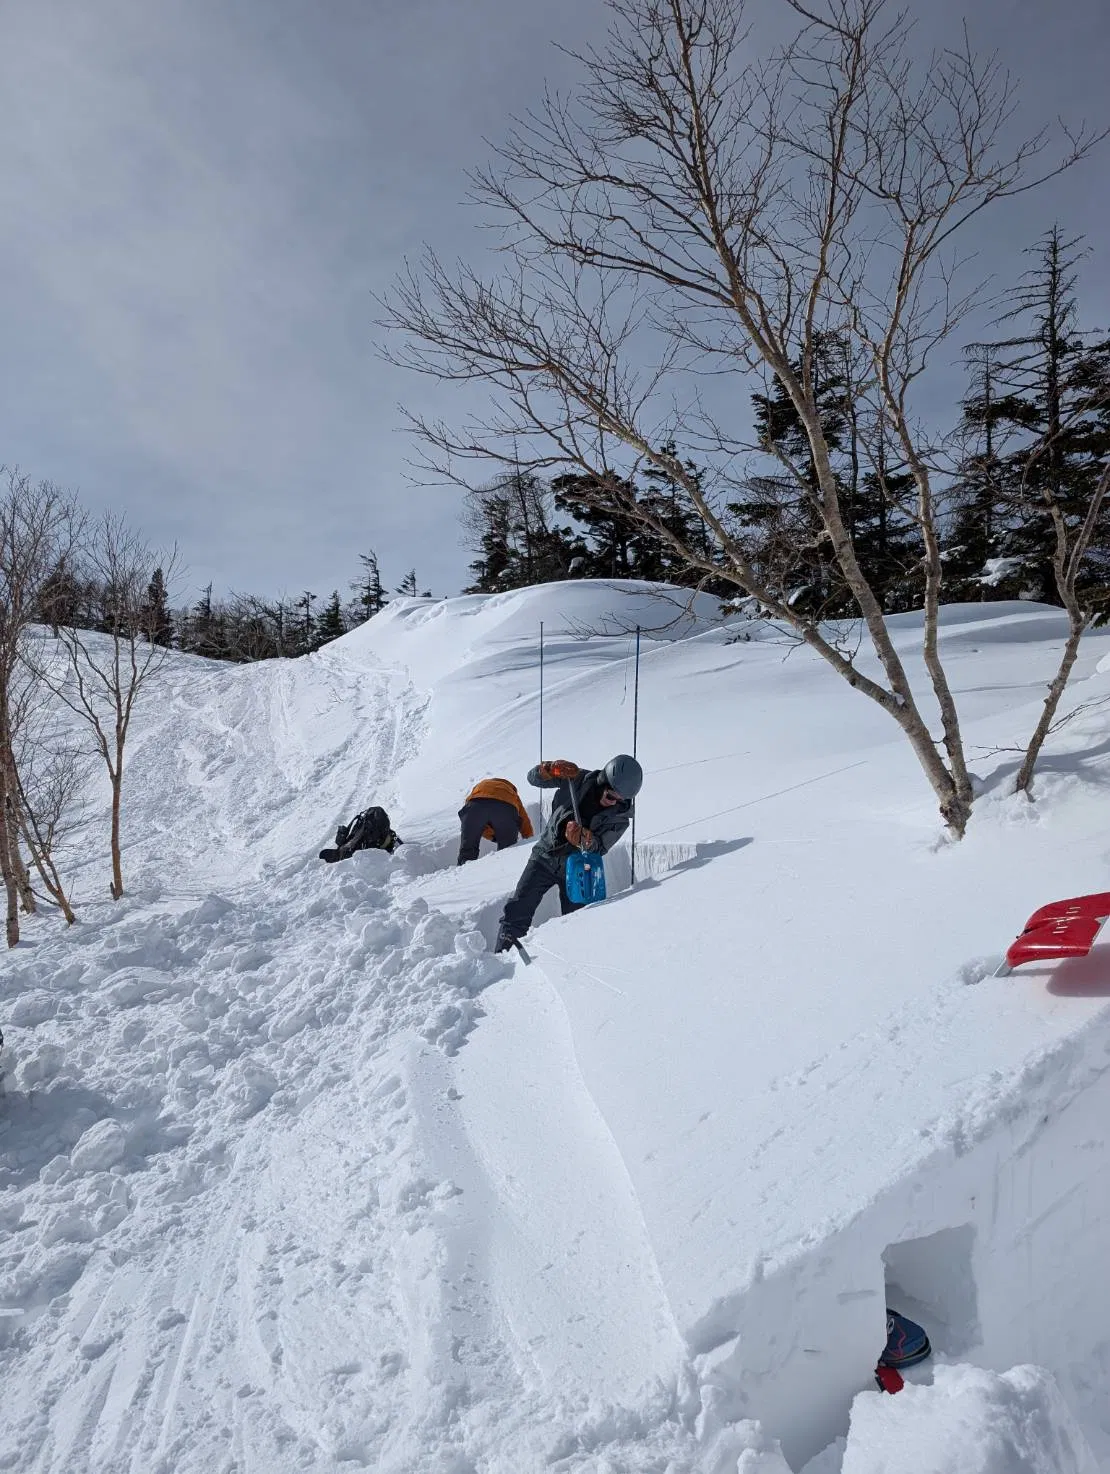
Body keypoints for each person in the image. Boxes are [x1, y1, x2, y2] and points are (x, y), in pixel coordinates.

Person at [494, 754, 643, 953]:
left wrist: (585, 841)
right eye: (610, 796)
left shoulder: (620, 819)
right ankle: (505, 957)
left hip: (578, 870)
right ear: (602, 781)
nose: (614, 803)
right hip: (544, 856)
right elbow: (533, 778)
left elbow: (600, 848)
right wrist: (548, 770)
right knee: (518, 910)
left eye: (621, 800)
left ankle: (566, 964)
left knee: (577, 923)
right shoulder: (575, 778)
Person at [457, 778, 535, 865]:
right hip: (505, 808)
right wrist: (530, 840)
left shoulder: (481, 785)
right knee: (508, 849)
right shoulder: (512, 792)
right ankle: (504, 869)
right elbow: (524, 819)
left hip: (474, 805)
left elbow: (475, 820)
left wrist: (492, 836)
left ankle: (464, 868)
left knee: (467, 849)